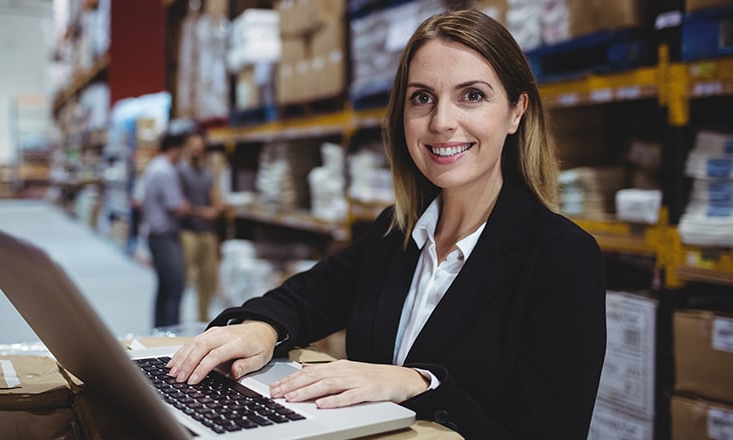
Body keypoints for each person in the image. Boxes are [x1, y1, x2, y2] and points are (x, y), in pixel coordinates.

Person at [166, 9, 606, 439]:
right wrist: (261, 329)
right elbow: (304, 299)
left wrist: (420, 384)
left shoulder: (561, 256)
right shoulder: (396, 233)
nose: (441, 122)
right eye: (422, 98)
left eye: (472, 95)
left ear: (516, 111)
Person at [141, 131, 190, 328]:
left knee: (164, 287)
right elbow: (177, 207)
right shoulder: (165, 171)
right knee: (175, 287)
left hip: (156, 235)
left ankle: (160, 329)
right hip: (165, 237)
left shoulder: (155, 167)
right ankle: (171, 332)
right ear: (176, 148)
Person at [177, 130, 223, 322]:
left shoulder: (207, 173)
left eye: (200, 148)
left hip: (207, 233)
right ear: (187, 148)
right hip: (188, 233)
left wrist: (214, 208)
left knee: (208, 279)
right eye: (193, 147)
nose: (197, 151)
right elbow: (181, 206)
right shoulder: (180, 171)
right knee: (183, 279)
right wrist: (203, 211)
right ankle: (175, 320)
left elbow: (216, 201)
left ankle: (203, 320)